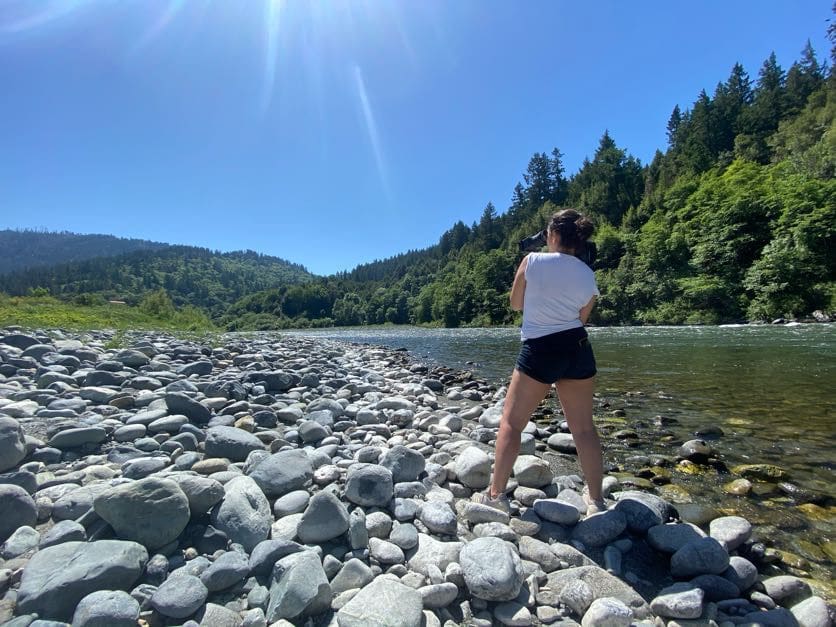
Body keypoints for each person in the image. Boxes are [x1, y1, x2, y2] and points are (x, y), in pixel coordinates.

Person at [472, 208, 605, 515]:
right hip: (577, 347)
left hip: (540, 348)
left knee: (511, 423)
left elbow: (516, 304)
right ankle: (596, 500)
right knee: (584, 429)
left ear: (553, 235)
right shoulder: (588, 274)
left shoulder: (531, 261)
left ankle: (495, 496)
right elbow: (581, 318)